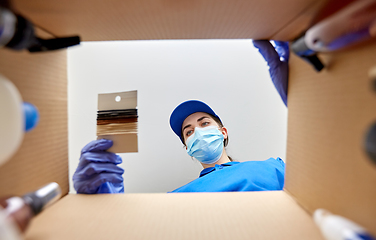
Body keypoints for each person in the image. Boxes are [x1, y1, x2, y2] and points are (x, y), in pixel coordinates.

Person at [73, 40, 289, 194]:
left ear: (223, 132)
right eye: (189, 132)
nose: (198, 132)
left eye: (204, 123)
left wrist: (303, 99)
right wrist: (105, 202)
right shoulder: (177, 198)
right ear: (188, 147)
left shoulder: (273, 167)